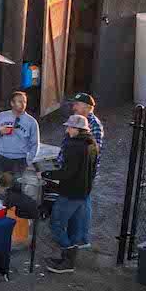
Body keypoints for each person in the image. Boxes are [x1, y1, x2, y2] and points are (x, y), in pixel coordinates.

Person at [46, 115, 98, 272]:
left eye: (69, 127)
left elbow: (67, 172)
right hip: (84, 192)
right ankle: (68, 259)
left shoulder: (73, 146)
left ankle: (67, 259)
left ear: (77, 129)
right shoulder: (92, 144)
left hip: (70, 193)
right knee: (74, 228)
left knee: (56, 224)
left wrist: (47, 174)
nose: (67, 130)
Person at [0, 91, 41, 182]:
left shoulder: (31, 122)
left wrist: (28, 161)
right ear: (12, 103)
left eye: (24, 102)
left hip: (20, 160)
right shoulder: (2, 116)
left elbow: (35, 144)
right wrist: (1, 132)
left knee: (16, 187)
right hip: (2, 157)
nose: (23, 104)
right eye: (19, 101)